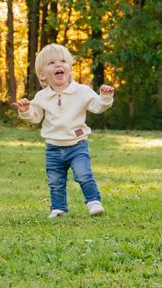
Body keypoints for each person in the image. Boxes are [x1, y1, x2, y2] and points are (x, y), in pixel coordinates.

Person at [16, 44, 115, 218]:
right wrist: (25, 110)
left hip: (77, 145)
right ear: (42, 75)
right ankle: (59, 208)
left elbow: (97, 106)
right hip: (53, 148)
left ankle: (93, 202)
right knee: (55, 181)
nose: (58, 65)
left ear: (69, 69)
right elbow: (35, 116)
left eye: (63, 61)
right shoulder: (42, 97)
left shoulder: (82, 91)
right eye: (51, 63)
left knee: (83, 174)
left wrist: (105, 97)